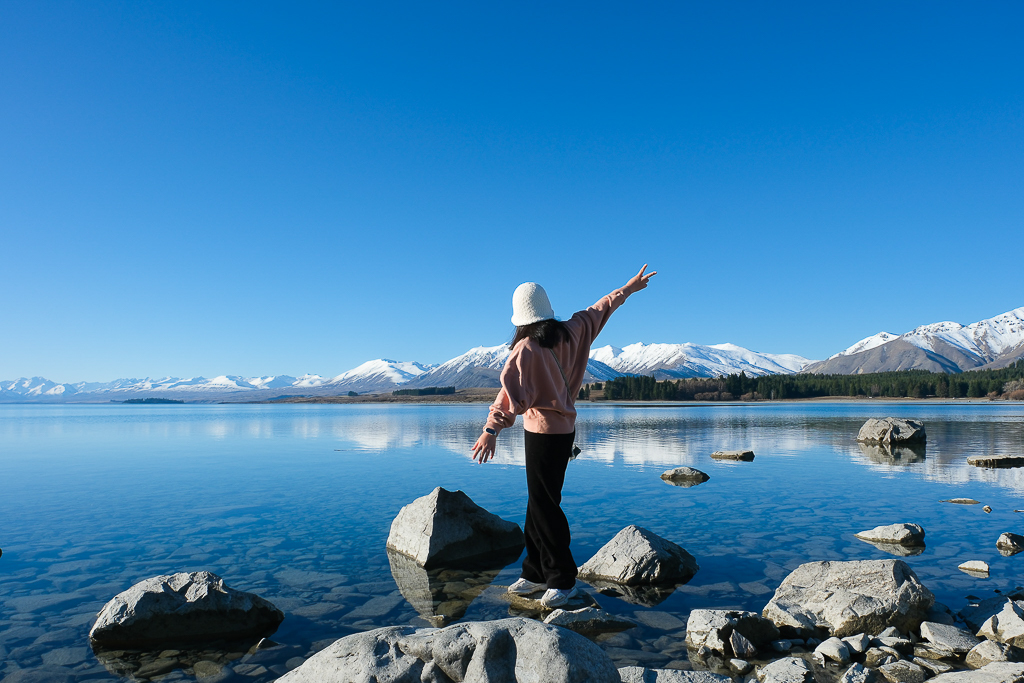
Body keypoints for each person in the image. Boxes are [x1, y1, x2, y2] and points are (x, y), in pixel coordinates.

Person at [471, 265, 657, 607]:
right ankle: (535, 571)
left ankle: (562, 578)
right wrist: (628, 288)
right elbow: (601, 307)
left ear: (520, 317)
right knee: (539, 500)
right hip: (566, 431)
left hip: (541, 433)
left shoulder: (524, 349)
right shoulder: (574, 330)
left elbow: (508, 398)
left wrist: (490, 430)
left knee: (545, 505)